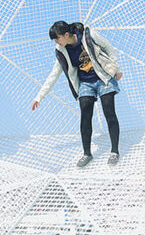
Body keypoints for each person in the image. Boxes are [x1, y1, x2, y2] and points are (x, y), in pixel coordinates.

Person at [30, 21, 123, 167]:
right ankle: (87, 154)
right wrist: (39, 97)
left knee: (109, 110)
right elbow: (54, 74)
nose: (56, 42)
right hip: (85, 83)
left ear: (66, 35)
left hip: (103, 76)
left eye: (57, 38)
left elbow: (108, 48)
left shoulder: (88, 34)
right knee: (85, 112)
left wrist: (116, 69)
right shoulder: (61, 50)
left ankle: (114, 151)